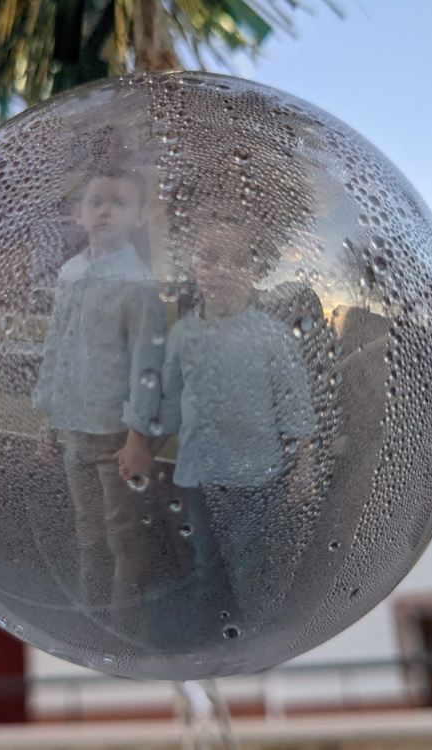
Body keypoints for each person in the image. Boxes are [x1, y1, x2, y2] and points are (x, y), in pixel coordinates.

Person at [124, 215, 317, 639]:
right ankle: (213, 638)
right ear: (194, 268)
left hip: (257, 478)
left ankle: (256, 635)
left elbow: (294, 405)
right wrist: (142, 447)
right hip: (198, 476)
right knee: (206, 562)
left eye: (238, 261)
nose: (223, 269)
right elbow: (170, 402)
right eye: (210, 258)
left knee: (250, 564)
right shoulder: (183, 335)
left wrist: (304, 467)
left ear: (255, 271)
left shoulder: (272, 336)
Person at [31, 165, 166, 625]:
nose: (106, 211)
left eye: (120, 203)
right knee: (87, 529)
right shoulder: (71, 273)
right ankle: (93, 620)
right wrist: (48, 414)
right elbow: (58, 345)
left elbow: (147, 367)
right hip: (75, 429)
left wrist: (137, 437)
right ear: (79, 214)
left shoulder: (137, 284)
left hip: (114, 437)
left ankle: (126, 625)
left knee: (122, 533)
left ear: (140, 217)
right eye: (96, 202)